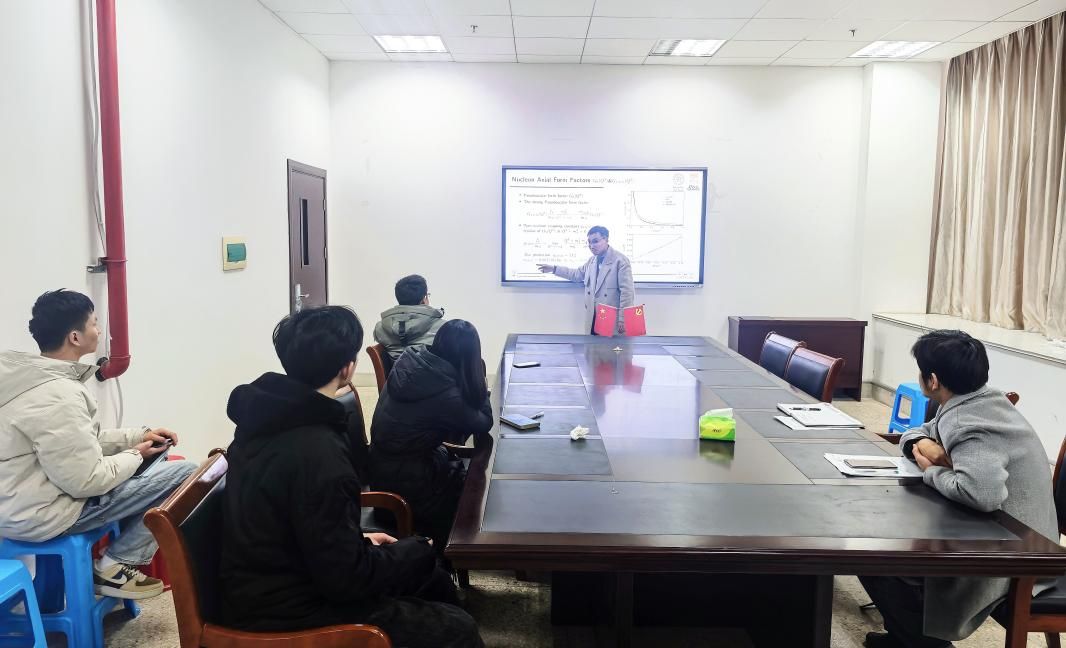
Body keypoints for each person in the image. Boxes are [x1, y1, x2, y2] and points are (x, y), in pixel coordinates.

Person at [221, 305, 481, 648]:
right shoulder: (318, 452)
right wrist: (412, 551)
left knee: (431, 577)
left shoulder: (265, 420)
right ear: (347, 368)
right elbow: (346, 580)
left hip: (273, 576)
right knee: (457, 628)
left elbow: (305, 523)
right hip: (287, 607)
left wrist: (364, 543)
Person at [860, 330, 1058, 648]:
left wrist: (932, 471)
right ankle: (904, 638)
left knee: (876, 557)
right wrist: (923, 443)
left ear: (933, 381)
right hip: (1012, 534)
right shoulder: (977, 400)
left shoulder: (971, 424)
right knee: (885, 550)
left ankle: (924, 643)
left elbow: (982, 494)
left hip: (1015, 554)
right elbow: (919, 431)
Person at [0, 289, 196, 599]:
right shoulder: (58, 395)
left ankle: (114, 564)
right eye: (94, 323)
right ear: (75, 337)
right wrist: (136, 455)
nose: (99, 330)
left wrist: (138, 437)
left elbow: (78, 443)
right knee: (188, 475)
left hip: (18, 507)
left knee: (151, 471)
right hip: (47, 514)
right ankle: (115, 565)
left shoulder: (28, 380)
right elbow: (87, 481)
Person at [370, 319, 493, 552]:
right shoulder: (446, 395)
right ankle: (454, 553)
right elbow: (483, 422)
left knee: (467, 472)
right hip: (409, 485)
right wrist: (479, 379)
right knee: (475, 489)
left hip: (382, 471)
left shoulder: (411, 361)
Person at [537, 225, 635, 335]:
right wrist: (554, 269)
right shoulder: (591, 261)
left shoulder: (620, 261)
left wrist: (623, 318)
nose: (591, 246)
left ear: (606, 239)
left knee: (610, 346)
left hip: (612, 319)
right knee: (592, 345)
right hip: (593, 317)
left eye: (595, 241)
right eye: (589, 242)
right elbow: (576, 274)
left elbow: (627, 292)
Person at [374, 274, 446, 360]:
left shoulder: (380, 328)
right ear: (424, 299)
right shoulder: (443, 328)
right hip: (432, 368)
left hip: (396, 369)